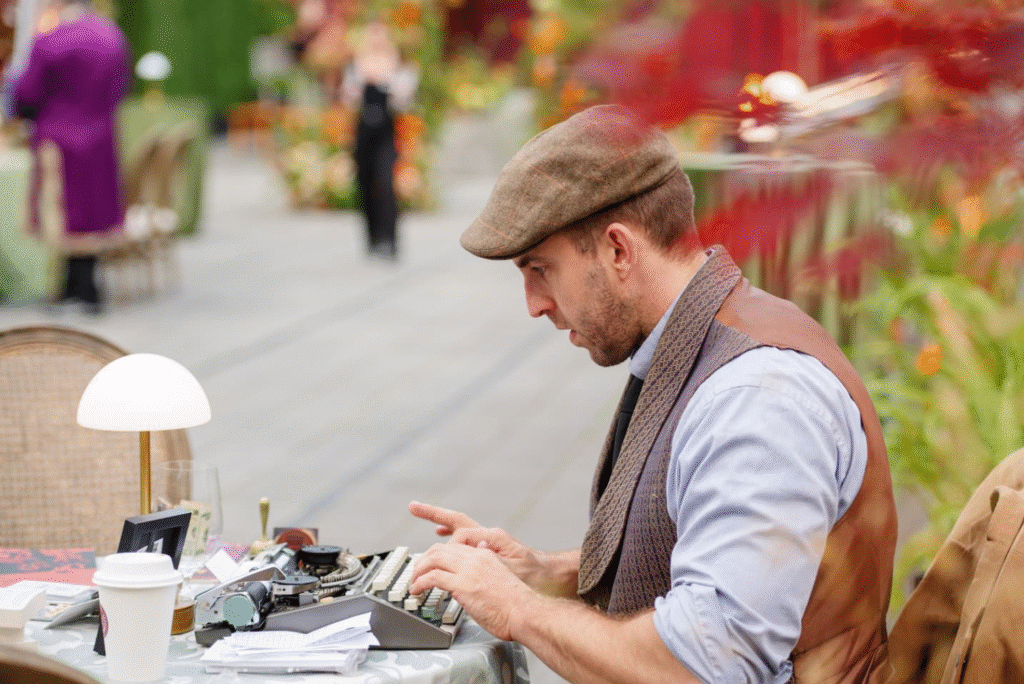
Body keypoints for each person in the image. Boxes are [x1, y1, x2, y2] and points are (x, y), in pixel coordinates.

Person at [408, 105, 898, 684]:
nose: (534, 303)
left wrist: (521, 610)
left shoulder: (758, 396)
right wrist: (544, 571)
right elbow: (707, 562)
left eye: (541, 268)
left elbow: (707, 665)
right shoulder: (700, 344)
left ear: (619, 250)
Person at [7, 0, 130, 314]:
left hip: (59, 138)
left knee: (62, 211)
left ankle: (71, 287)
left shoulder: (51, 39)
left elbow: (26, 95)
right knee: (91, 210)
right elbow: (121, 88)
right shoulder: (111, 35)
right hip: (100, 136)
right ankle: (83, 286)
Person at [342, 18, 416, 262]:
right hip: (363, 131)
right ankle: (371, 238)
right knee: (364, 183)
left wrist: (386, 81)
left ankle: (389, 238)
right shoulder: (356, 65)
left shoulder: (397, 66)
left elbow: (404, 99)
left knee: (385, 183)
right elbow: (348, 98)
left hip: (385, 130)